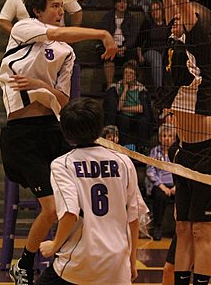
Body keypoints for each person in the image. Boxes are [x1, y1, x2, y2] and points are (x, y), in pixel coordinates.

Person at [0, 0, 117, 285]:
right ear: (38, 10)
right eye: (54, 6)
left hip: (51, 130)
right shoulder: (25, 28)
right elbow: (57, 34)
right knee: (51, 207)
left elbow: (62, 101)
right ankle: (24, 264)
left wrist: (42, 88)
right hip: (22, 134)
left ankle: (51, 264)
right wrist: (102, 34)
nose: (59, 11)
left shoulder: (67, 53)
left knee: (68, 207)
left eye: (61, 6)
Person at [152, 0, 211, 285]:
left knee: (204, 232)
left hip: (207, 149)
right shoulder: (179, 40)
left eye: (183, 18)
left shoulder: (201, 36)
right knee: (184, 229)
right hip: (184, 151)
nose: (176, 17)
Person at [35, 98, 142, 285]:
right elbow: (133, 217)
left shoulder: (63, 164)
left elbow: (70, 213)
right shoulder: (124, 162)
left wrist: (54, 246)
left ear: (66, 132)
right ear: (100, 127)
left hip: (81, 261)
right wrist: (131, 260)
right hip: (116, 263)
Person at [103, 60, 153, 152]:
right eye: (126, 73)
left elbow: (141, 109)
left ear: (135, 76)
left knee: (143, 120)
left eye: (131, 73)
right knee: (123, 119)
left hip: (136, 116)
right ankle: (121, 146)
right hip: (123, 117)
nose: (128, 75)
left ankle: (142, 148)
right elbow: (117, 108)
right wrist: (125, 90)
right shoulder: (117, 87)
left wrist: (124, 108)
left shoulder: (141, 89)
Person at [99, 0, 138, 88]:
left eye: (124, 2)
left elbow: (133, 37)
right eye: (120, 2)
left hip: (125, 46)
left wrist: (124, 48)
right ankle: (110, 86)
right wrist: (114, 47)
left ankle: (130, 86)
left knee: (133, 53)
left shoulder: (131, 18)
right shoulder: (108, 17)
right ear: (115, 4)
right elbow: (103, 33)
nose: (122, 4)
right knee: (107, 56)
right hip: (111, 45)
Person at [146, 123, 176, 240]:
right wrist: (162, 186)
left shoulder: (177, 152)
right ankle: (158, 227)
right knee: (160, 196)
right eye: (164, 136)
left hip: (175, 185)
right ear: (159, 138)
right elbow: (150, 171)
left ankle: (180, 229)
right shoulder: (155, 151)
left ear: (174, 138)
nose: (167, 138)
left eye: (170, 136)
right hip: (159, 185)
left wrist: (176, 187)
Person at [136, 0, 170, 90]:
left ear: (162, 10)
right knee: (156, 58)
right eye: (152, 10)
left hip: (165, 51)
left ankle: (170, 89)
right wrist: (140, 56)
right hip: (150, 51)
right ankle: (159, 90)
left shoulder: (167, 24)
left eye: (157, 9)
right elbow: (139, 42)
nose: (155, 12)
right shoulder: (147, 24)